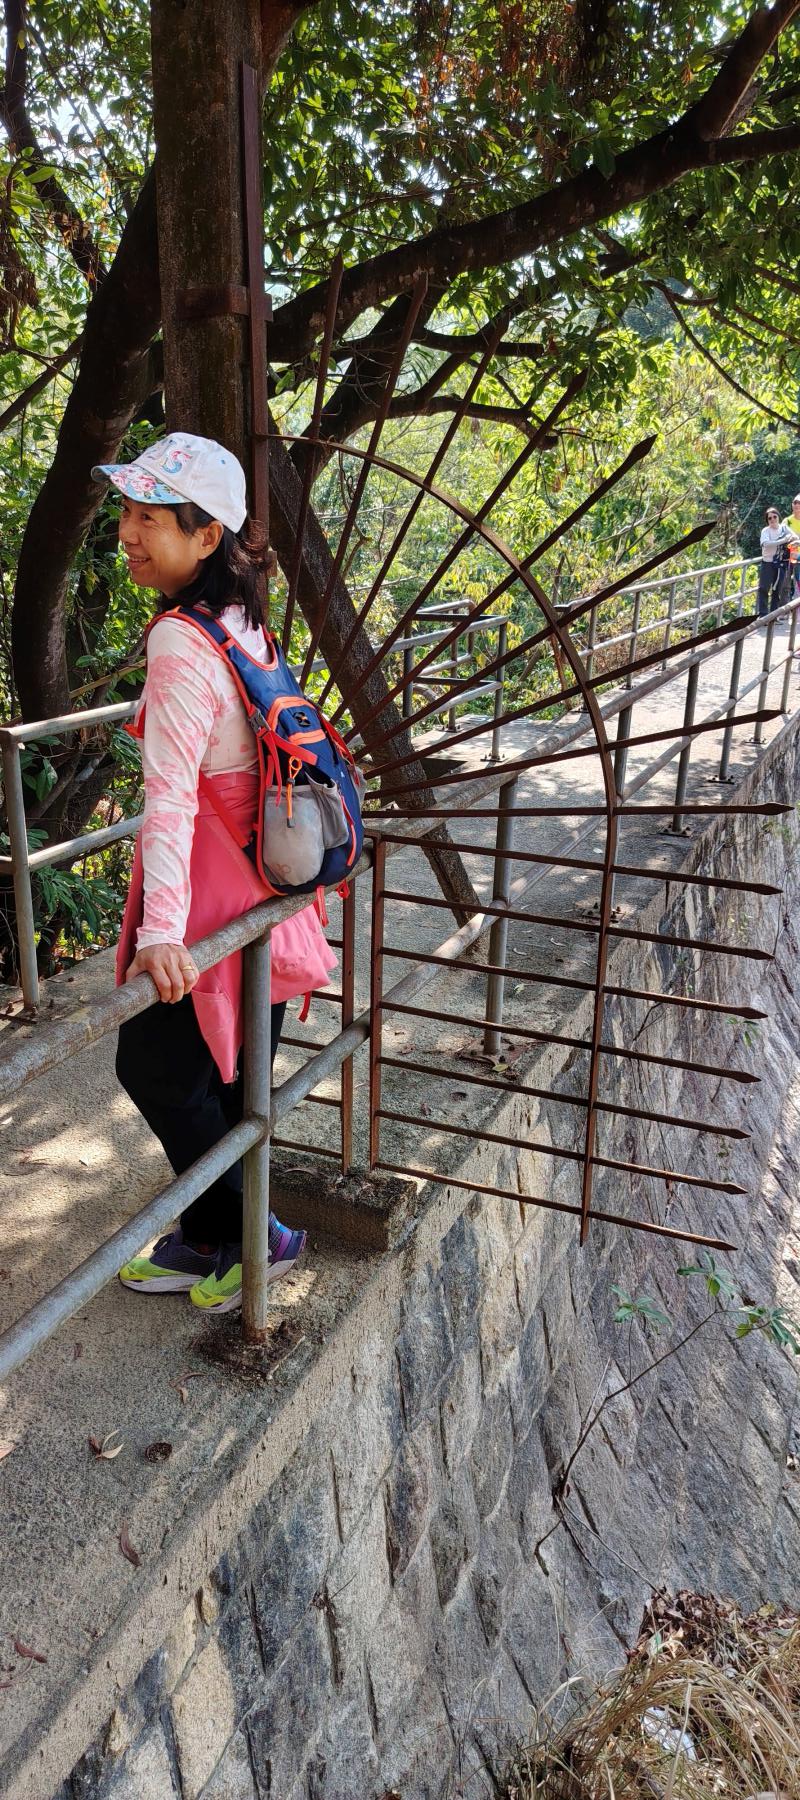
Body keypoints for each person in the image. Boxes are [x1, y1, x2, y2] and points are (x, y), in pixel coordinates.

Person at [92, 432, 336, 1314]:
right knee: (230, 1080)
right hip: (264, 881)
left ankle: (254, 1237)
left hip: (207, 898)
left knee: (156, 1068)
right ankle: (208, 1239)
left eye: (150, 517)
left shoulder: (179, 640)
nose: (127, 532)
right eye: (127, 511)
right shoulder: (239, 619)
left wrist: (160, 933)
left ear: (205, 537)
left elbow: (169, 798)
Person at [756, 507, 797, 619]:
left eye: (775, 517)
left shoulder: (784, 528)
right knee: (764, 588)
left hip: (781, 564)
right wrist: (783, 540)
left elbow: (795, 538)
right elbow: (766, 544)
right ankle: (763, 615)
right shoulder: (765, 531)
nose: (773, 519)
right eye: (770, 518)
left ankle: (773, 616)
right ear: (767, 520)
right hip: (768, 563)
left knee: (777, 590)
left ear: (778, 517)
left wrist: (793, 540)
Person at [783, 494, 800, 597]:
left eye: (799, 503)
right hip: (788, 557)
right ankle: (784, 606)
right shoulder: (787, 521)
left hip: (799, 558)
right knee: (784, 586)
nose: (797, 505)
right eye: (795, 502)